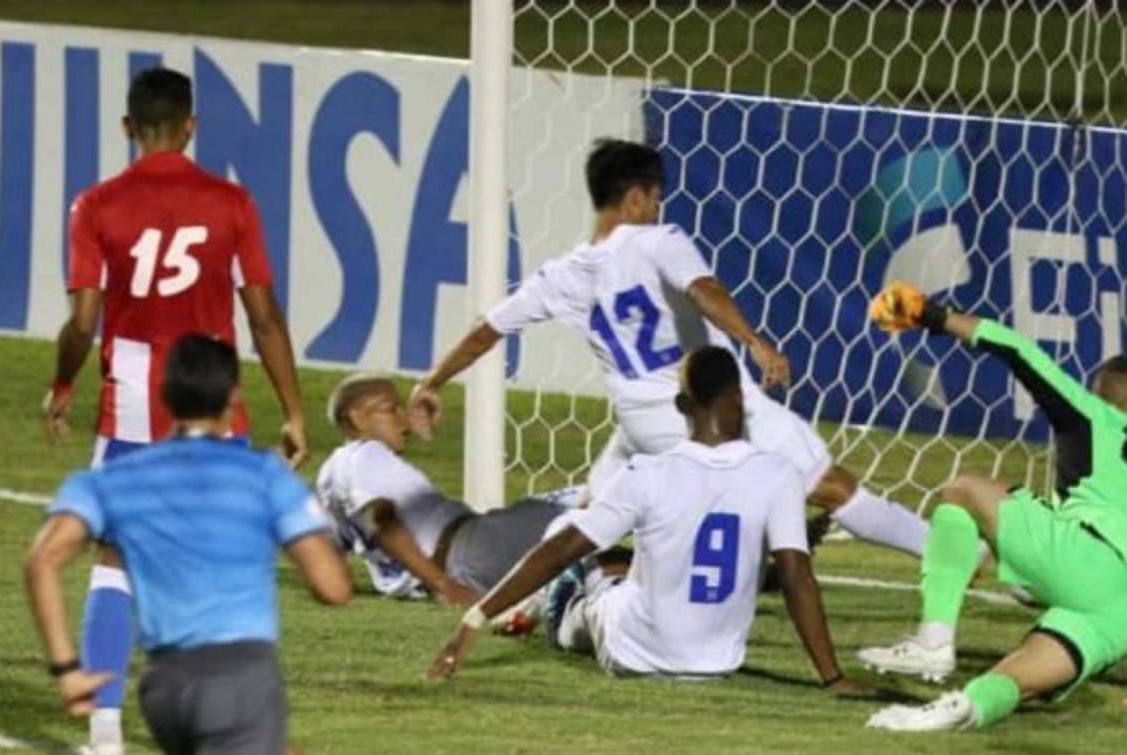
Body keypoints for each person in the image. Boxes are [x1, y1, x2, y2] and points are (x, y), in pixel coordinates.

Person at [409, 139, 928, 561]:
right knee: (832, 488)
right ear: (637, 197)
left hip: (641, 423)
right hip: (709, 411)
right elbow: (704, 290)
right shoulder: (657, 239)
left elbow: (486, 332)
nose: (658, 210)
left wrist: (430, 383)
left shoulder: (560, 275)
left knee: (593, 513)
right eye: (655, 199)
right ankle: (953, 555)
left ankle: (520, 603)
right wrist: (755, 342)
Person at [41, 67, 307, 752]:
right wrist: (294, 408)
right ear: (192, 125)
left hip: (133, 394)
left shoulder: (96, 205)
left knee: (115, 554)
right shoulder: (232, 202)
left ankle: (105, 727)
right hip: (214, 396)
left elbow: (84, 318)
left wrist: (64, 379)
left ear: (129, 129)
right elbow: (265, 315)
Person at [427, 346, 861, 693]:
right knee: (627, 560)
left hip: (631, 651)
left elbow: (558, 551)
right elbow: (798, 577)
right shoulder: (779, 474)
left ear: (680, 405)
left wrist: (472, 621)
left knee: (570, 540)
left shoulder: (647, 472)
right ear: (740, 400)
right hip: (717, 663)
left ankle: (553, 604)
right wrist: (833, 678)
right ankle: (595, 582)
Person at [25, 335, 351, 754]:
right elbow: (332, 588)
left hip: (164, 687)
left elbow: (42, 560)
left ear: (164, 395)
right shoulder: (265, 476)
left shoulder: (113, 480)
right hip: (240, 677)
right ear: (233, 397)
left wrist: (67, 668)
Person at [859, 281, 1127, 731]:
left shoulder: (1096, 416)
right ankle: (951, 713)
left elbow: (1017, 349)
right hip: (1119, 610)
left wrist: (932, 315)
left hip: (1088, 558)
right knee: (1015, 681)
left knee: (963, 491)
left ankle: (933, 639)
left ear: (1104, 392)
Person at [318, 374, 577, 608]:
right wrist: (443, 585)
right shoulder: (366, 455)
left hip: (465, 557)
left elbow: (330, 547)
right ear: (356, 418)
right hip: (473, 549)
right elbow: (382, 522)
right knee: (598, 501)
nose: (404, 417)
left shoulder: (332, 476)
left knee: (582, 523)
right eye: (391, 409)